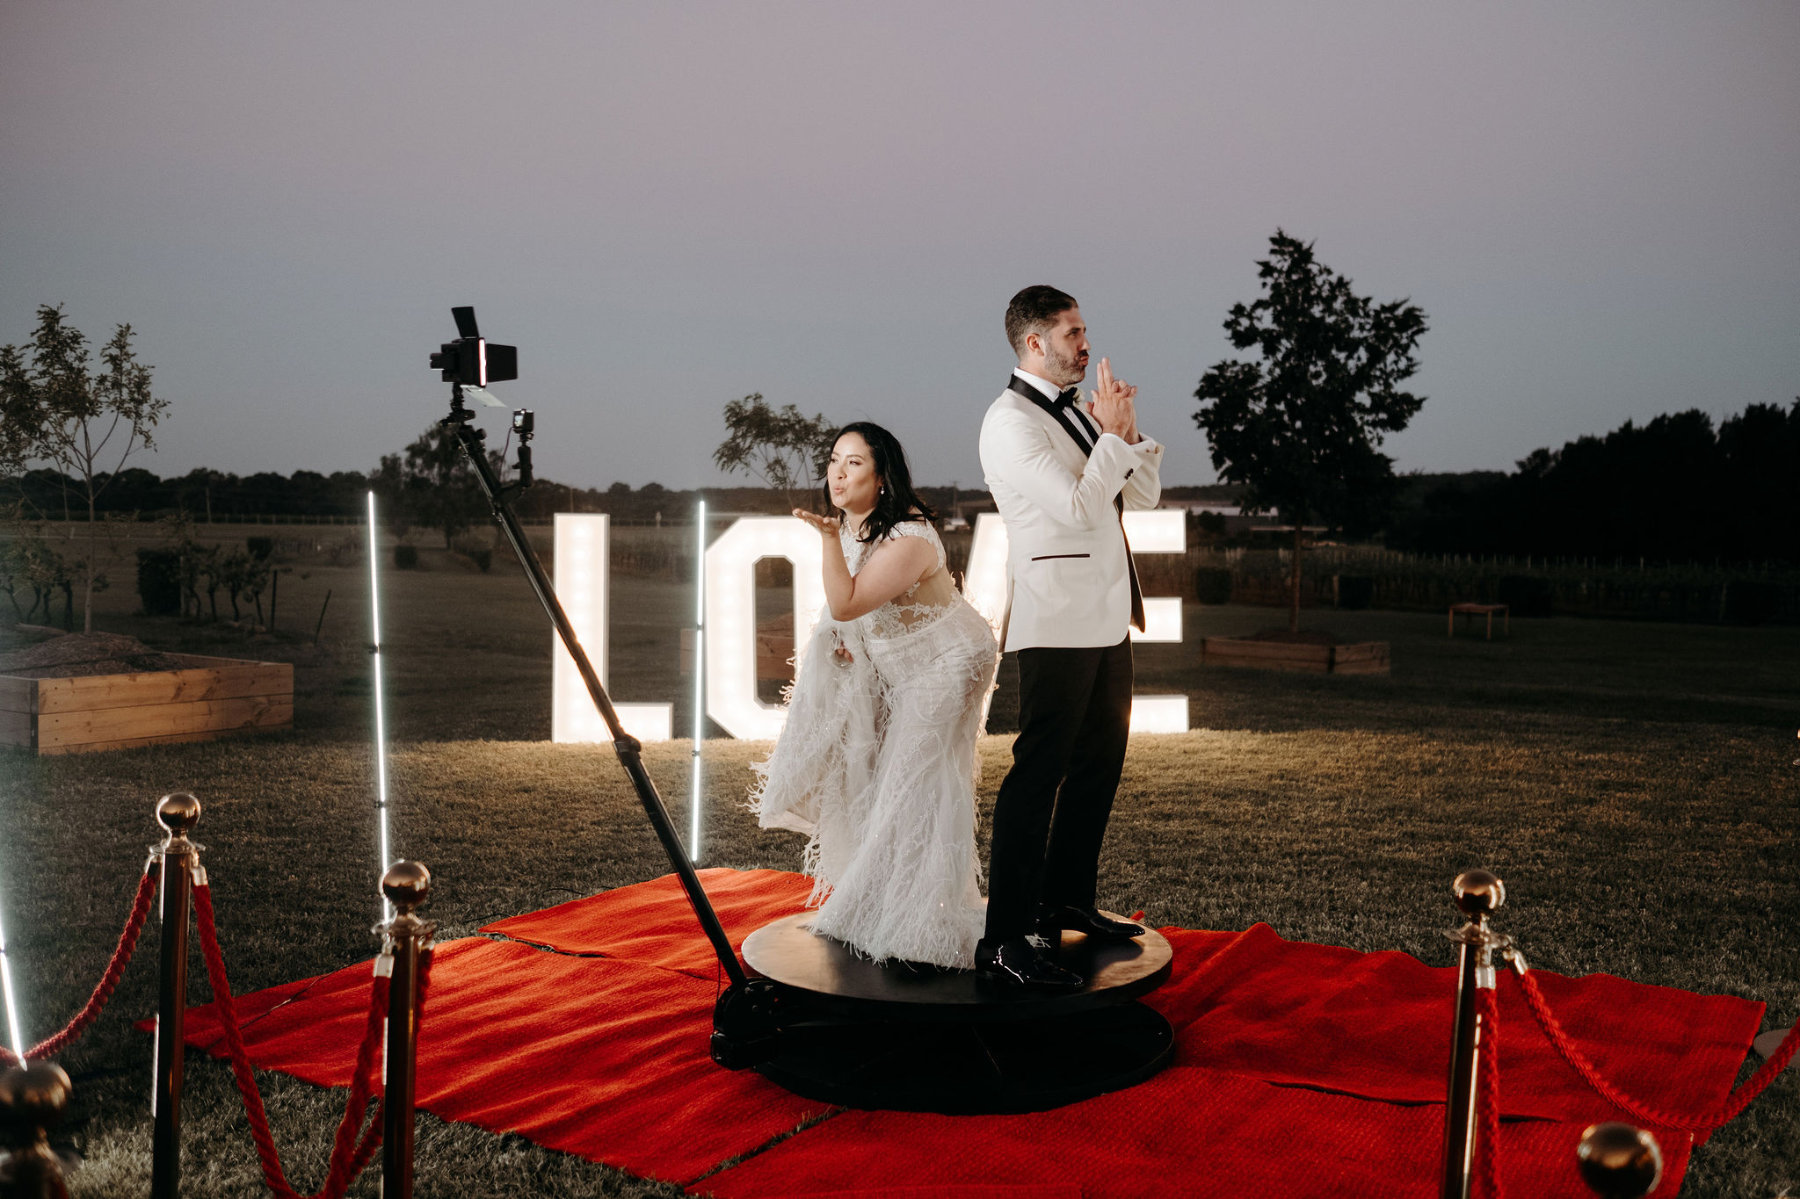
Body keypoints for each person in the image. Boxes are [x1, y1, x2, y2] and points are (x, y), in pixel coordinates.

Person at [752, 421, 1000, 969]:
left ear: (882, 477)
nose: (837, 473)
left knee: (910, 780)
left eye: (854, 463)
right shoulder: (850, 530)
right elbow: (853, 621)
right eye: (834, 460)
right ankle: (890, 902)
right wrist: (849, 647)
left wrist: (823, 543)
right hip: (903, 670)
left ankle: (909, 919)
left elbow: (846, 603)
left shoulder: (909, 537)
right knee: (898, 778)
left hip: (950, 661)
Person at [974, 285, 1164, 988]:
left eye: (1085, 330)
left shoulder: (1077, 415)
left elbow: (1138, 498)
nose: (1086, 343)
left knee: (1098, 766)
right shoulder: (1008, 422)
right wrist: (1110, 438)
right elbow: (1084, 510)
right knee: (1037, 776)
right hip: (1055, 623)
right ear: (1034, 343)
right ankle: (1004, 939)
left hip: (1109, 618)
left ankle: (1065, 902)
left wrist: (1127, 430)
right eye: (1072, 332)